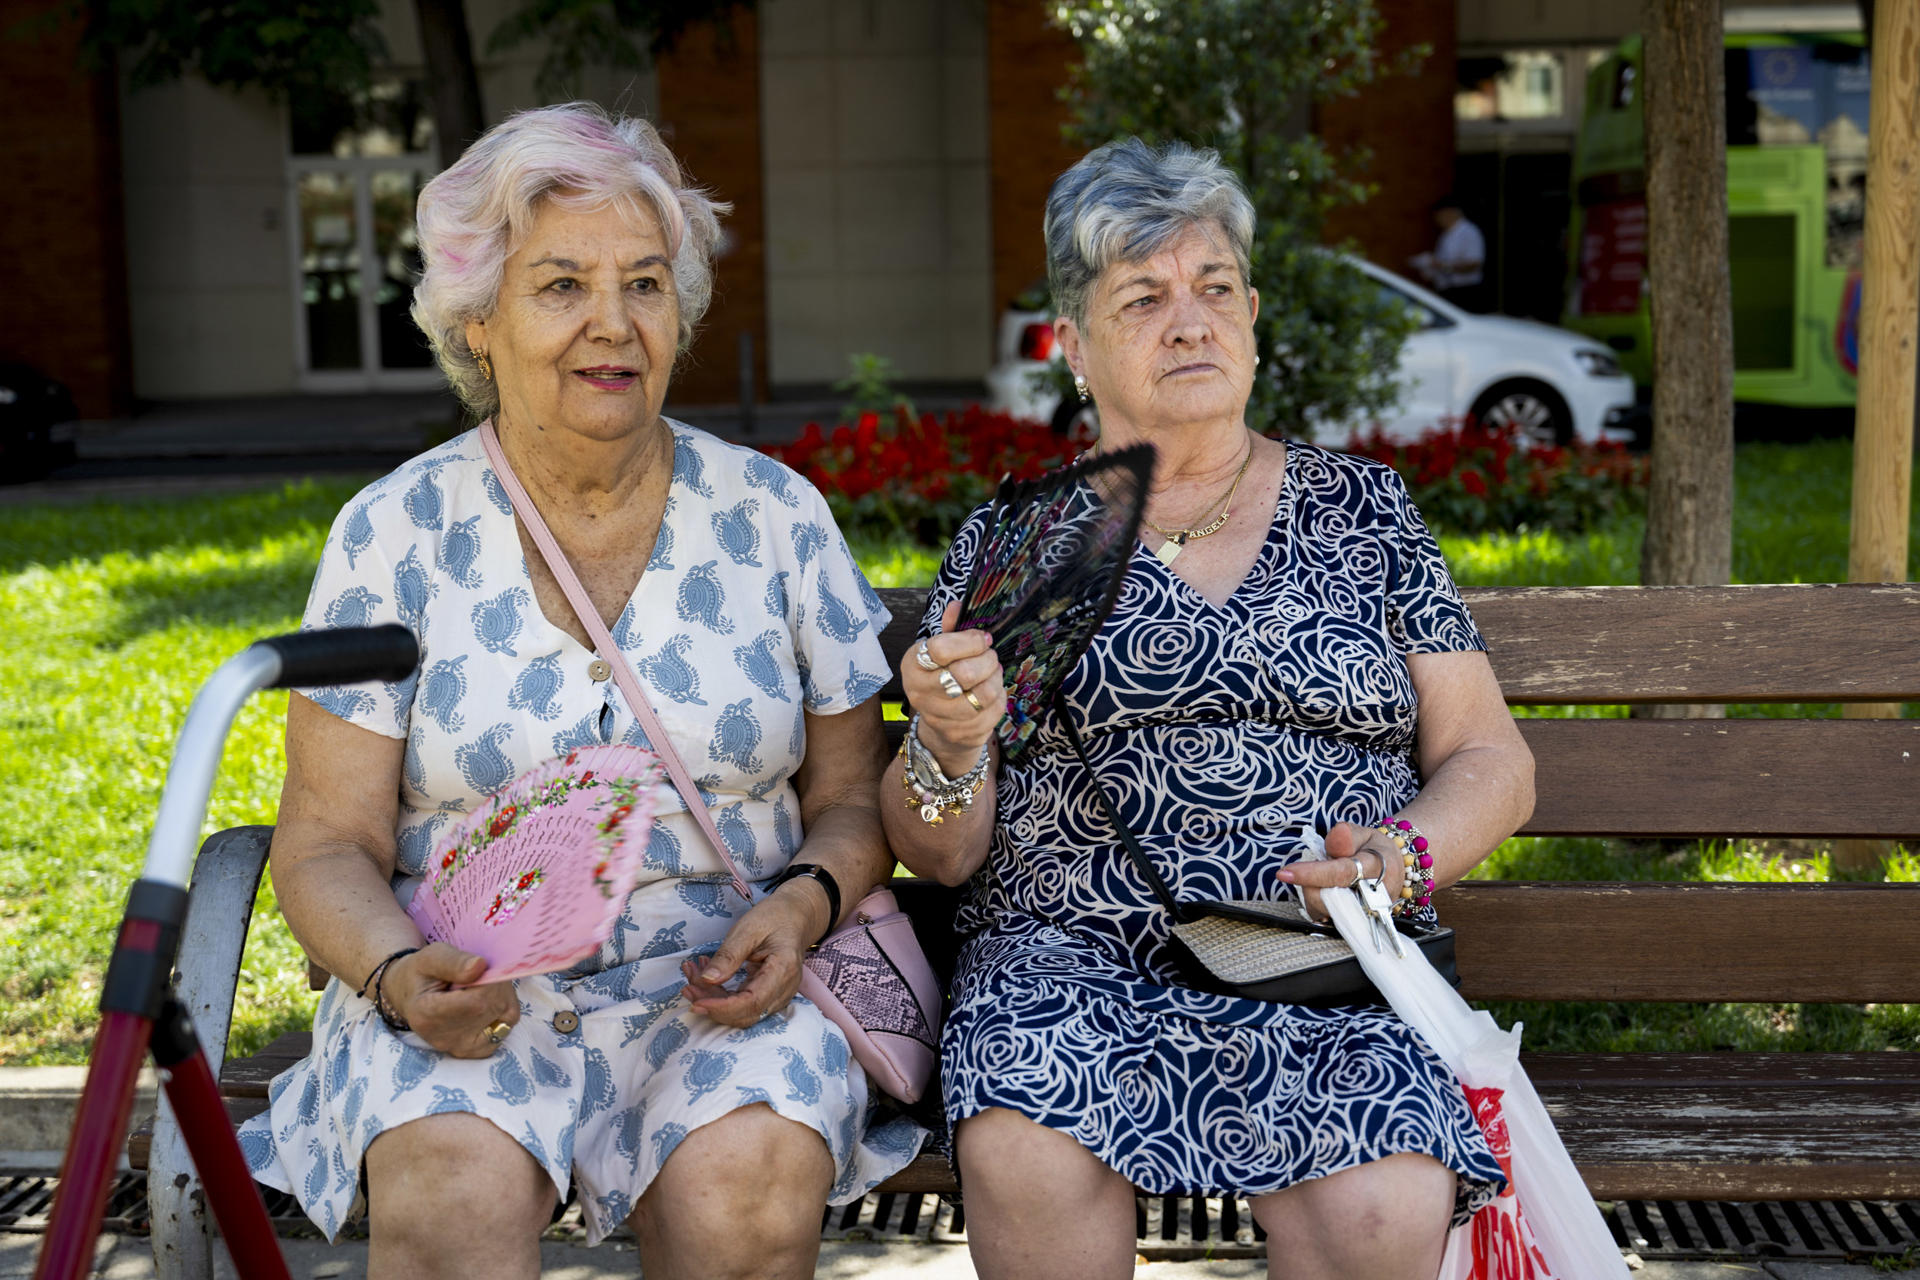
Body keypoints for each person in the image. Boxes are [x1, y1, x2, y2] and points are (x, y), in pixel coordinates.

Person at [239, 103, 922, 1280]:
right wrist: (401, 973)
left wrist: (803, 907)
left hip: (730, 982)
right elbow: (326, 841)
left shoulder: (775, 518)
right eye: (561, 285)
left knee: (747, 1186)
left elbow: (854, 799)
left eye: (645, 285)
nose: (613, 324)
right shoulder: (394, 533)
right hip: (466, 989)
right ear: (478, 319)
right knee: (451, 1190)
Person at [882, 138, 1535, 1280]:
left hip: (1319, 948)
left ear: (1253, 312)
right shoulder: (1024, 542)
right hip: (1068, 958)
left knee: (1382, 1203)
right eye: (1145, 297)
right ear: (1074, 348)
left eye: (1215, 288)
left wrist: (1403, 855)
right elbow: (942, 852)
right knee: (1029, 1146)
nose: (1193, 322)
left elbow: (1492, 755)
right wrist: (947, 742)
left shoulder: (1362, 510)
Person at [1410, 194, 1488, 312]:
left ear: (1450, 213)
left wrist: (1445, 266)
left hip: (1465, 290)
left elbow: (1475, 263)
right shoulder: (1446, 235)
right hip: (1447, 288)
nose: (1437, 220)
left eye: (1439, 216)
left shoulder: (1469, 232)